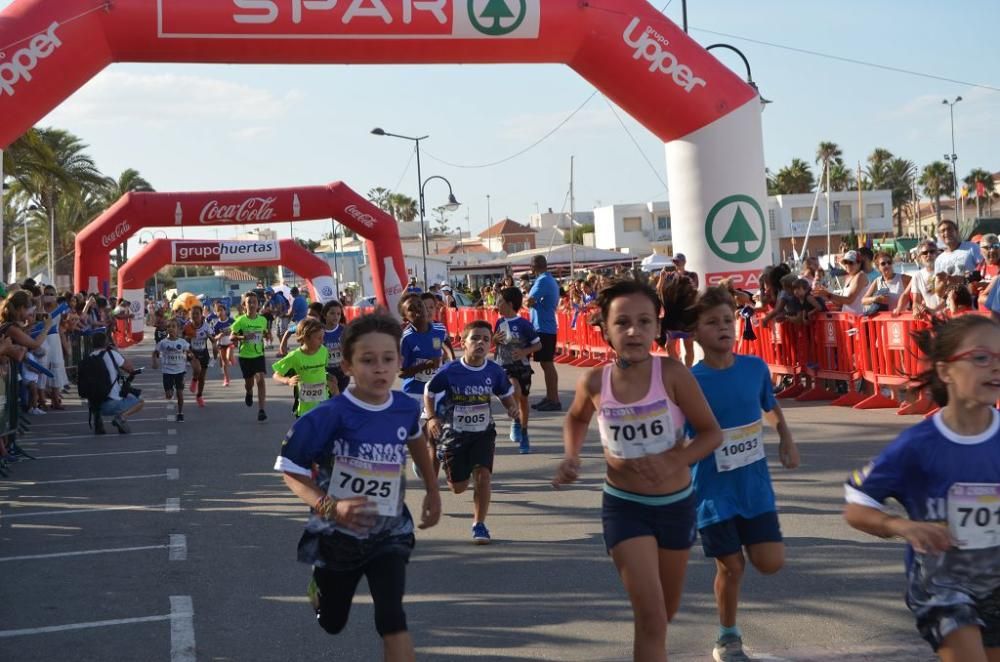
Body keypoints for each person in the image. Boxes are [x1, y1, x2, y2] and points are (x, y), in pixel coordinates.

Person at [552, 279, 723, 662]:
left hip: (676, 507)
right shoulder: (595, 381)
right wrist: (571, 456)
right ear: (605, 329)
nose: (634, 331)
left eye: (645, 321)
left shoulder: (674, 374)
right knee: (650, 616)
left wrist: (675, 460)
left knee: (664, 614)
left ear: (657, 328)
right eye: (623, 322)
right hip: (625, 507)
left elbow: (711, 434)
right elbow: (576, 419)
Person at [273, 313, 441, 660]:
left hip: (389, 531)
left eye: (388, 359)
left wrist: (433, 491)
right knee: (332, 622)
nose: (380, 369)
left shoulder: (403, 408)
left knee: (392, 619)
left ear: (399, 361)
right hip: (338, 536)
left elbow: (415, 443)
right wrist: (331, 507)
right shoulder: (327, 416)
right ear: (347, 365)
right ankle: (320, 587)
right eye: (368, 360)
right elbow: (291, 471)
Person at [844, 315, 1000, 662]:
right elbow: (857, 505)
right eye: (980, 357)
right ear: (945, 371)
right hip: (942, 584)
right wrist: (901, 525)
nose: (995, 367)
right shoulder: (917, 445)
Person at [689, 286, 800, 662]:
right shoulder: (691, 381)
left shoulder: (754, 367)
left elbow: (768, 405)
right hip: (711, 489)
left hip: (754, 487)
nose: (723, 327)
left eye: (727, 320)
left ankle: (728, 626)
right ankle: (727, 636)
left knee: (770, 562)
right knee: (732, 565)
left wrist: (785, 436)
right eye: (712, 322)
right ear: (696, 332)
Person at [424, 320, 519, 544]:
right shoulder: (451, 371)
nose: (480, 343)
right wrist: (431, 417)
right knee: (458, 487)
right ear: (463, 343)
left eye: (485, 339)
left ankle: (479, 524)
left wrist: (512, 408)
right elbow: (429, 391)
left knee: (483, 477)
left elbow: (505, 393)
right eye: (475, 338)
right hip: (453, 435)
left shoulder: (494, 371)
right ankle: (442, 457)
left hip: (482, 432)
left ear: (490, 345)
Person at [494, 286, 542, 454]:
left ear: (509, 304)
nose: (496, 305)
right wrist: (494, 340)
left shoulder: (524, 324)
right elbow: (495, 344)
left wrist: (524, 352)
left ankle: (524, 431)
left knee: (523, 399)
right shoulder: (499, 322)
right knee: (514, 388)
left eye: (499, 302)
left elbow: (538, 344)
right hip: (504, 366)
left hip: (522, 366)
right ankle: (515, 420)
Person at [88, 330, 144, 432]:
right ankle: (121, 417)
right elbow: (130, 368)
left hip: (94, 404)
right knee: (140, 401)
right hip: (111, 404)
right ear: (106, 342)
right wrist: (116, 351)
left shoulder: (89, 357)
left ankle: (97, 418)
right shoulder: (112, 354)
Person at [273, 318, 329, 418]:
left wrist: (330, 379)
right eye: (319, 338)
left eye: (323, 337)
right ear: (306, 338)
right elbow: (276, 375)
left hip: (323, 404)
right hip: (305, 407)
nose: (322, 341)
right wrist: (288, 380)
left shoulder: (323, 351)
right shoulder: (295, 356)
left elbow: (324, 371)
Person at [526, 255, 561, 411]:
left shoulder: (543, 281)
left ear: (534, 267)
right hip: (544, 326)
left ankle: (554, 399)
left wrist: (526, 299)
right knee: (545, 363)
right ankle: (550, 396)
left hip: (544, 327)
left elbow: (528, 301)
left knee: (547, 363)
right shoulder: (547, 279)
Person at [398, 294, 448, 402]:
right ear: (405, 317)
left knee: (436, 419)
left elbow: (446, 347)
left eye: (420, 305)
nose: (418, 310)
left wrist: (447, 359)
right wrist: (426, 365)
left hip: (437, 391)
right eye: (411, 309)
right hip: (414, 392)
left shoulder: (440, 329)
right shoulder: (406, 338)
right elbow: (401, 373)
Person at [231, 291, 271, 422]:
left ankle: (261, 410)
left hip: (258, 355)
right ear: (244, 305)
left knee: (260, 379)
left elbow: (265, 333)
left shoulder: (263, 320)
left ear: (258, 304)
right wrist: (243, 337)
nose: (252, 304)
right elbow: (232, 337)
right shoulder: (240, 321)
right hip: (245, 356)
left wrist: (267, 335)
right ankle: (249, 392)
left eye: (254, 302)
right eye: (249, 302)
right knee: (249, 383)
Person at [153, 319, 199, 422]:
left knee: (180, 393)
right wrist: (154, 361)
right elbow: (155, 352)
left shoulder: (182, 342)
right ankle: (170, 390)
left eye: (173, 326)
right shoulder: (163, 343)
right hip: (167, 371)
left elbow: (189, 352)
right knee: (169, 395)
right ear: (167, 329)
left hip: (180, 371)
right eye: (169, 326)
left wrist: (191, 358)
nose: (171, 329)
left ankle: (180, 413)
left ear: (178, 329)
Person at [813, 250, 868, 314]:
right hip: (848, 319)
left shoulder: (861, 275)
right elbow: (841, 303)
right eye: (845, 262)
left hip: (859, 319)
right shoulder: (849, 277)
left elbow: (849, 300)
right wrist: (826, 295)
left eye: (850, 262)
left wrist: (828, 294)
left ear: (859, 263)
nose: (847, 265)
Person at [899, 240, 943, 316]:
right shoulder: (917, 276)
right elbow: (916, 301)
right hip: (933, 319)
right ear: (919, 257)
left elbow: (949, 297)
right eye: (925, 253)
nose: (928, 255)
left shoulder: (945, 271)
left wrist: (934, 310)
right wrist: (916, 309)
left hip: (950, 318)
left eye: (932, 252)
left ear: (936, 254)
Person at [861, 251, 911, 315]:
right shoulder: (877, 281)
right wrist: (876, 299)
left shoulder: (903, 278)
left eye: (889, 263)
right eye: (883, 263)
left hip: (903, 319)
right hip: (885, 321)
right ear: (878, 267)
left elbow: (916, 281)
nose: (887, 265)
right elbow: (863, 300)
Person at [183, 305, 213, 408]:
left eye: (197, 313)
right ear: (190, 315)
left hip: (204, 353)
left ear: (201, 315)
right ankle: (194, 380)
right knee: (197, 369)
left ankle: (199, 395)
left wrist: (214, 343)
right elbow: (182, 340)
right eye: (193, 313)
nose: (195, 315)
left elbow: (212, 339)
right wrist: (186, 343)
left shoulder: (206, 326)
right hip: (192, 352)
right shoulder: (187, 326)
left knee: (202, 377)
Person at [321, 300, 349, 397]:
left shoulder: (344, 330)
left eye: (338, 314)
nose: (336, 316)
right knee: (332, 397)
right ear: (325, 315)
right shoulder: (319, 332)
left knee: (339, 397)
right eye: (332, 313)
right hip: (326, 370)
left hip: (342, 371)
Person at [212, 302, 234, 387]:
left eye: (221, 310)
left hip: (230, 343)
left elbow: (237, 330)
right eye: (218, 311)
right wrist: (220, 335)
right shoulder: (217, 325)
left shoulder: (231, 321)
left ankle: (232, 359)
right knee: (224, 363)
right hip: (221, 345)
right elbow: (214, 337)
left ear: (225, 311)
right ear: (216, 313)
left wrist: (232, 333)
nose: (220, 312)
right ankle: (226, 379)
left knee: (228, 357)